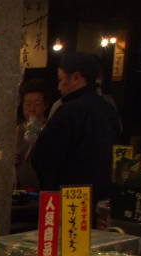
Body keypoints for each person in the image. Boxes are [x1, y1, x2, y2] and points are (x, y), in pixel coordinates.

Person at [31, 52, 120, 201]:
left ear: (76, 78)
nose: (59, 87)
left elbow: (44, 157)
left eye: (61, 80)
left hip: (69, 197)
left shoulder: (69, 110)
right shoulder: (108, 109)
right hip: (100, 197)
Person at [15, 79, 49, 190]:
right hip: (22, 191)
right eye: (28, 104)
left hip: (44, 188)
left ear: (45, 105)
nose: (32, 109)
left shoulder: (50, 129)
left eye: (37, 104)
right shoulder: (17, 130)